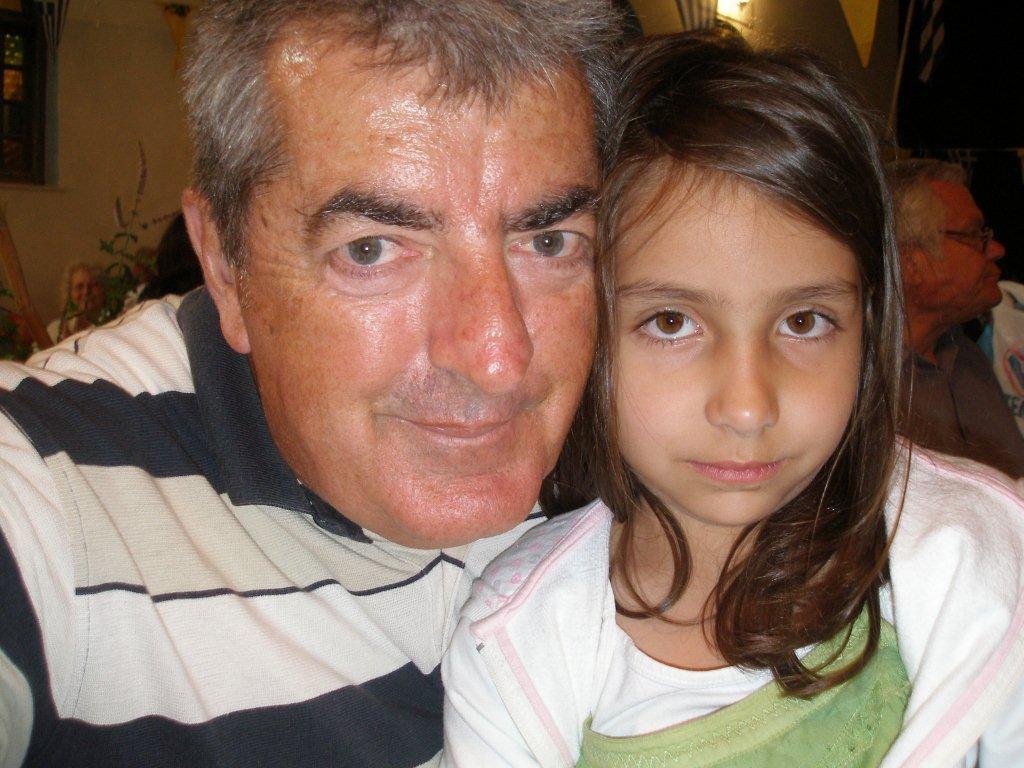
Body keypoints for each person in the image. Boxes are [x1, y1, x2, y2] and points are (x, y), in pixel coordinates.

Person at [0, 1, 624, 765]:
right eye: (371, 250)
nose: (497, 357)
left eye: (549, 240)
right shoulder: (46, 494)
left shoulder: (662, 453)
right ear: (224, 263)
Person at [442, 36, 1024, 767]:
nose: (748, 409)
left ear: (869, 328)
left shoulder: (985, 565)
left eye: (804, 322)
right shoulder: (514, 645)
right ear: (586, 328)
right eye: (671, 322)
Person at [888, 159, 1024, 477]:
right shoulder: (862, 383)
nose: (996, 250)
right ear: (910, 261)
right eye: (975, 234)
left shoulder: (965, 354)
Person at [46, 261, 104, 343]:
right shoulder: (54, 329)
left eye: (92, 285)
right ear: (69, 293)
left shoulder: (110, 327)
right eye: (79, 287)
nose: (86, 291)